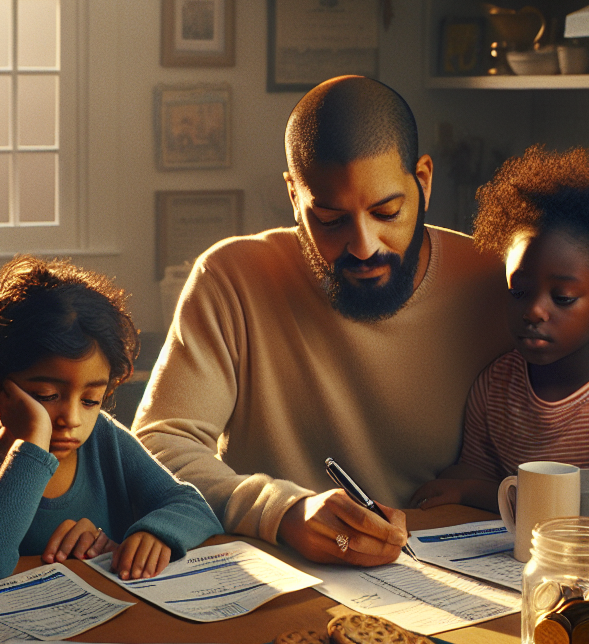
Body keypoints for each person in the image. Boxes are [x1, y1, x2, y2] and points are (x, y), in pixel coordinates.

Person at [133, 75, 512, 567]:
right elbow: (157, 447)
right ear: (294, 194)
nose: (363, 245)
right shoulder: (231, 277)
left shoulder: (497, 282)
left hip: (449, 579)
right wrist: (283, 511)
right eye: (331, 220)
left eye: (387, 212)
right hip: (274, 577)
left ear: (423, 179)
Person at [410, 146, 589, 517]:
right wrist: (472, 487)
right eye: (519, 292)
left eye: (563, 297)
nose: (535, 310)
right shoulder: (496, 383)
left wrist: (475, 490)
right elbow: (464, 475)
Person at [0, 256, 222, 583]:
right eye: (47, 395)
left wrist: (154, 533)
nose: (72, 419)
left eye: (91, 400)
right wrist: (35, 443)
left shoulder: (104, 439)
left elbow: (194, 508)